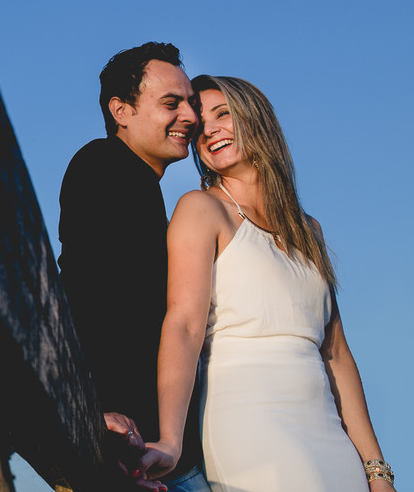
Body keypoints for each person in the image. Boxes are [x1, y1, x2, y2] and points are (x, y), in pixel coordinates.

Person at [144, 75, 395, 491]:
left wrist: (376, 469)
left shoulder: (309, 230)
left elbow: (336, 355)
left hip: (330, 435)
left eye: (223, 114)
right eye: (201, 124)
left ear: (255, 119)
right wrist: (171, 439)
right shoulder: (202, 209)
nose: (210, 130)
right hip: (250, 421)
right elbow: (184, 324)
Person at [57, 42, 208, 492]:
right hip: (138, 452)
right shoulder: (105, 167)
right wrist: (94, 415)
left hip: (150, 451)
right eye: (171, 103)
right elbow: (88, 297)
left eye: (191, 104)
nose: (190, 116)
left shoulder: (140, 185)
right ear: (121, 110)